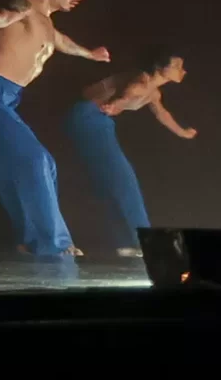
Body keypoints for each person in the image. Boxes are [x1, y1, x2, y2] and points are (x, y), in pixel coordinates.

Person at [0, 0, 110, 257]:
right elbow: (11, 14)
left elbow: (62, 43)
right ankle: (54, 245)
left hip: (4, 99)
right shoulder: (24, 6)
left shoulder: (47, 24)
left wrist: (90, 54)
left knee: (42, 164)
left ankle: (30, 241)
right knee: (34, 161)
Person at [63, 54, 193, 257]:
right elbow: (129, 92)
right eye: (177, 66)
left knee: (109, 183)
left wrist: (183, 132)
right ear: (160, 66)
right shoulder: (140, 80)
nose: (182, 71)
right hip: (89, 116)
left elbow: (162, 114)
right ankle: (144, 241)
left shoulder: (153, 93)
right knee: (124, 179)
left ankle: (126, 244)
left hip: (94, 119)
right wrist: (117, 104)